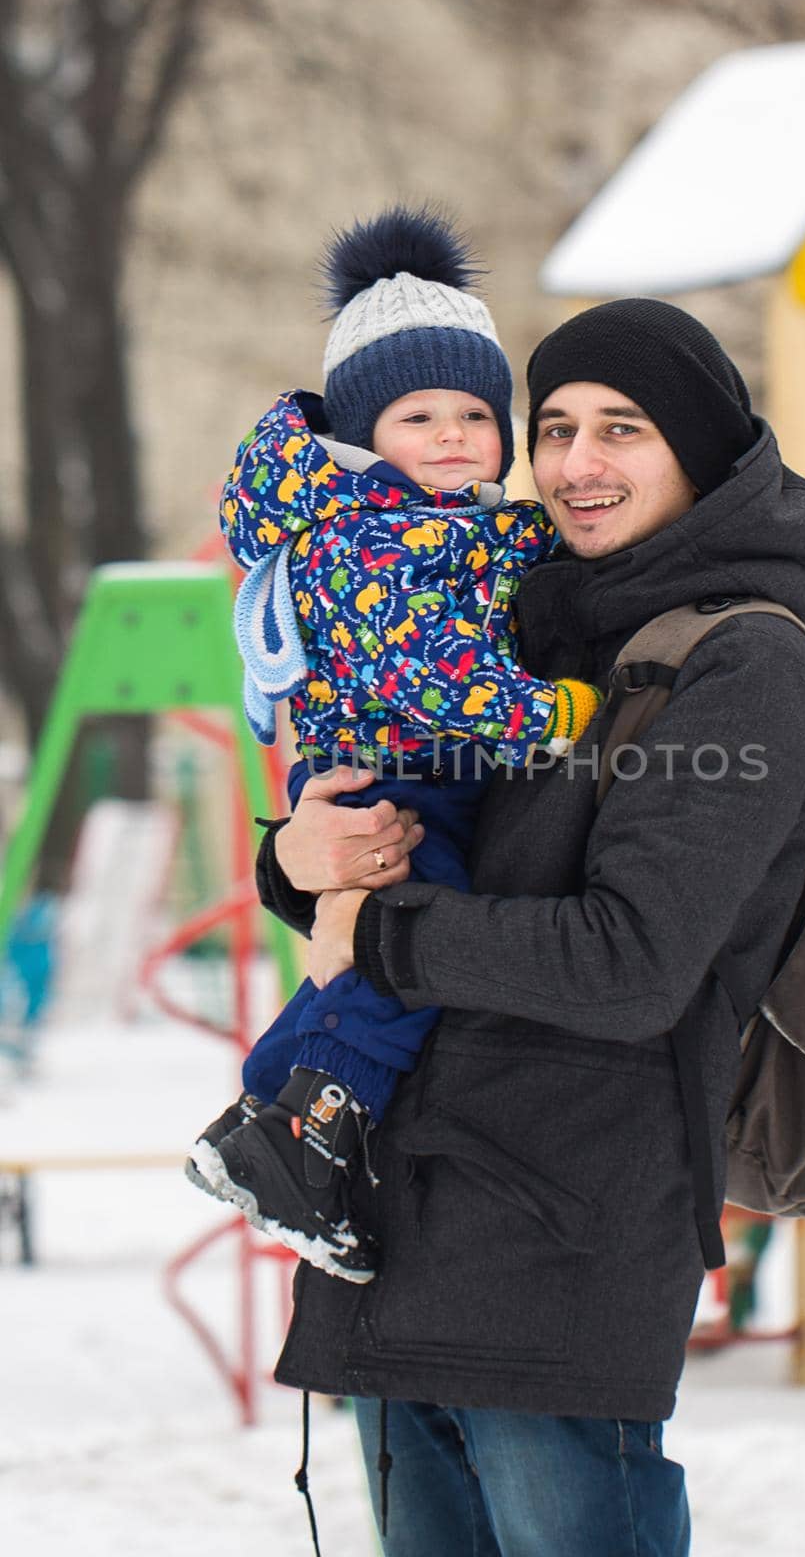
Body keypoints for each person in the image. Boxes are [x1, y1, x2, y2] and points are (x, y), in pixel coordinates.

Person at [256, 297, 805, 1556]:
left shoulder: (741, 666)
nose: (576, 464)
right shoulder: (501, 614)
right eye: (556, 427)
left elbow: (629, 961)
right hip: (398, 1220)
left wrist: (370, 933)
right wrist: (298, 860)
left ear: (695, 449)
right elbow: (415, 846)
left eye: (620, 430)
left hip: (561, 1235)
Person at [186, 206, 601, 1282]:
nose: (455, 434)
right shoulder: (365, 537)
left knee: (373, 947)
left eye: (476, 412)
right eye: (420, 415)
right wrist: (549, 713)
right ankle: (306, 1132)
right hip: (406, 771)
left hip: (415, 763)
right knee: (406, 947)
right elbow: (431, 668)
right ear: (363, 434)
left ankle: (267, 1125)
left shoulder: (443, 522)